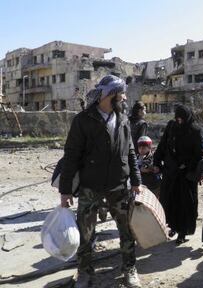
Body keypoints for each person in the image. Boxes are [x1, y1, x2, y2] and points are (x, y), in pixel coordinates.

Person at [59, 75, 143, 288]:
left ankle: (129, 269)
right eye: (121, 93)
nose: (125, 97)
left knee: (126, 229)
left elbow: (130, 151)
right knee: (85, 233)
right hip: (90, 186)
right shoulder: (83, 120)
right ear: (110, 95)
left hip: (119, 185)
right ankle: (85, 272)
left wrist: (136, 179)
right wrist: (65, 190)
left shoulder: (123, 118)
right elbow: (71, 156)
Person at [153, 104, 203, 244]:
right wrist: (156, 162)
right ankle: (173, 226)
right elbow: (162, 145)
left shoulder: (194, 131)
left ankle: (183, 232)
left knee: (185, 204)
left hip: (186, 175)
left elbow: (199, 154)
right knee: (169, 201)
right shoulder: (171, 126)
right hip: (170, 172)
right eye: (177, 118)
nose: (179, 121)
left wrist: (187, 165)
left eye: (182, 119)